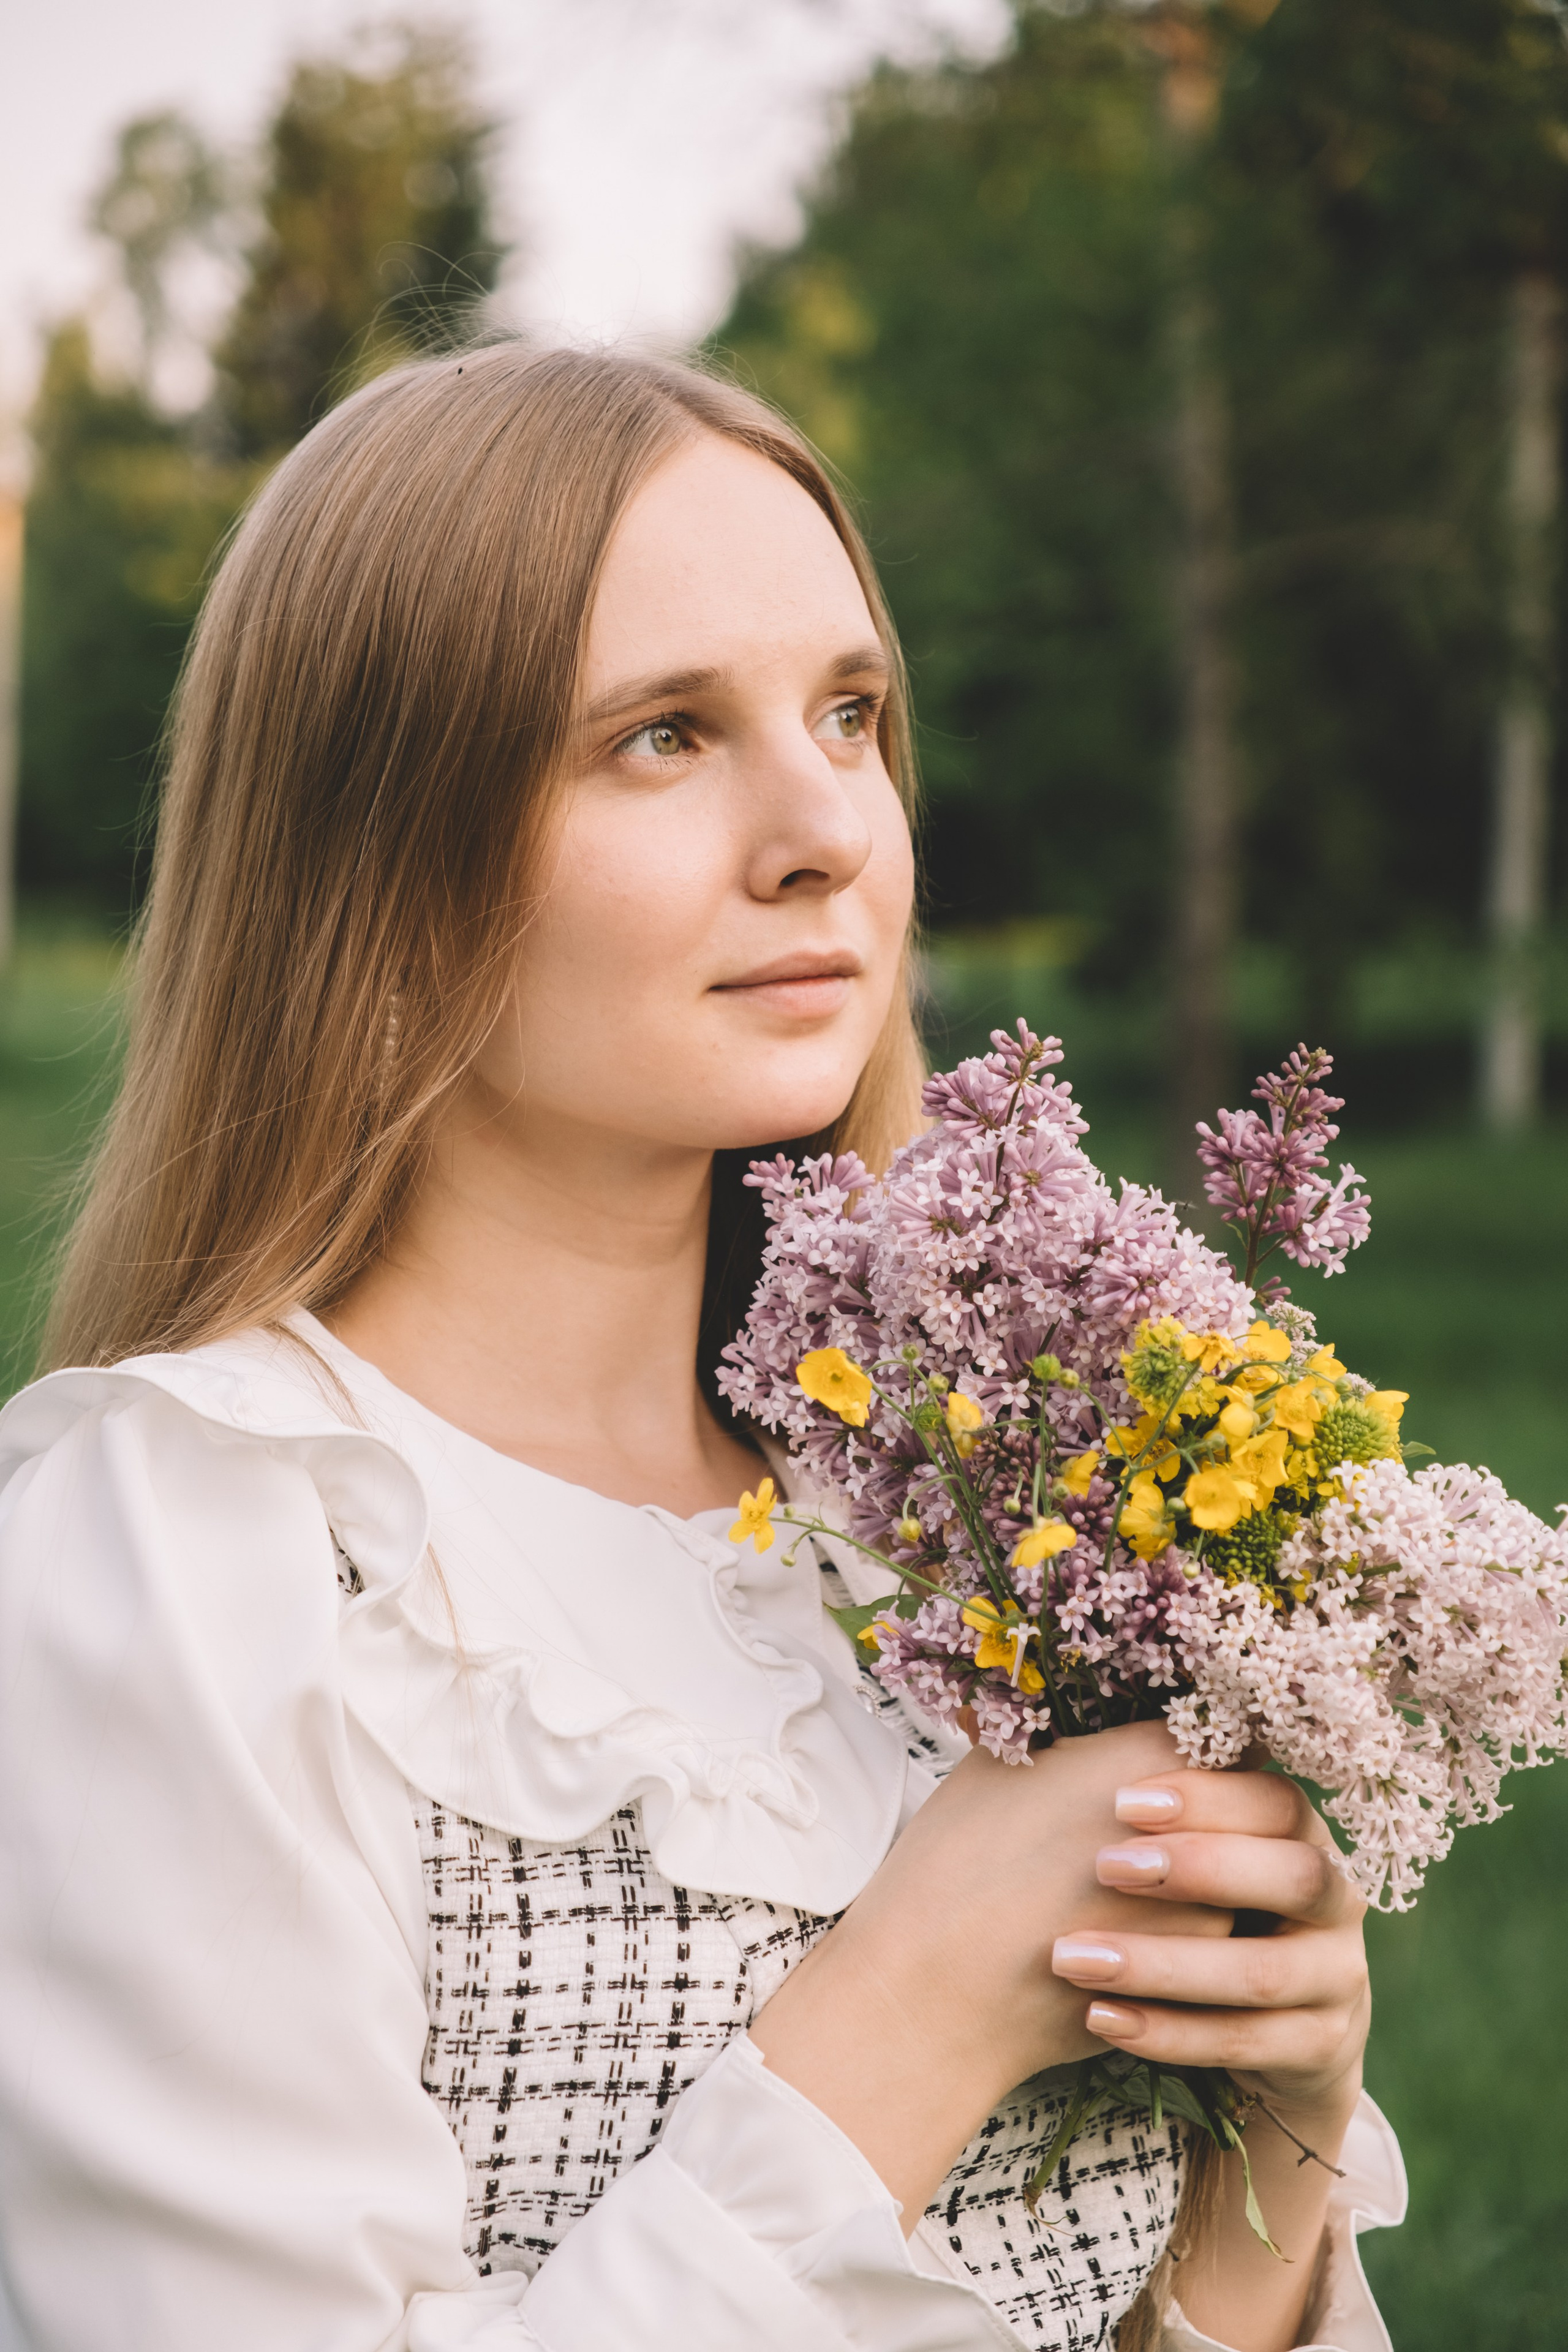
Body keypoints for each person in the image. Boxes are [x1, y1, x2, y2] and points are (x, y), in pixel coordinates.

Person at [0, 345, 1402, 2352]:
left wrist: (1281, 2147)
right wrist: (906, 2017)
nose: (826, 824)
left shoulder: (976, 1529)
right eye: (662, 735)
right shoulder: (208, 1546)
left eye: (850, 713)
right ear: (375, 858)